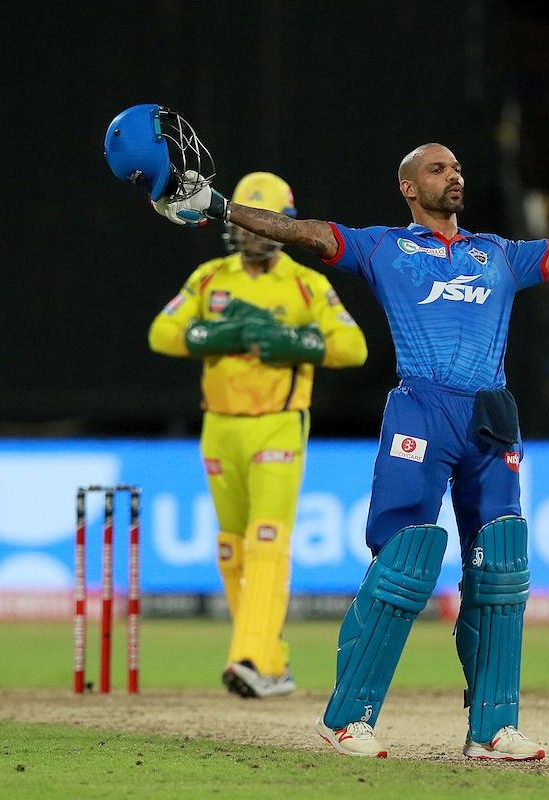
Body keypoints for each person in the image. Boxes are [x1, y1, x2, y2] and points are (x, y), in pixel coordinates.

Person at [104, 107, 549, 759]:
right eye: (437, 168)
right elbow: (304, 231)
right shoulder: (385, 247)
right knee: (404, 565)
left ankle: (492, 728)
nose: (453, 174)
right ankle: (346, 719)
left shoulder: (498, 254)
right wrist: (218, 206)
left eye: (456, 166)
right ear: (409, 186)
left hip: (491, 415)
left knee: (503, 568)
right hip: (421, 411)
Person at [146, 171, 368, 699]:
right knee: (232, 549)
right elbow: (162, 333)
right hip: (219, 427)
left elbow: (353, 347)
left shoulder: (305, 284)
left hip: (279, 424)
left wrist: (293, 343)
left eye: (266, 227)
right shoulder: (210, 278)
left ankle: (247, 656)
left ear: (285, 227)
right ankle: (270, 663)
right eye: (247, 226)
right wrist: (214, 335)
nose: (254, 236)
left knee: (267, 541)